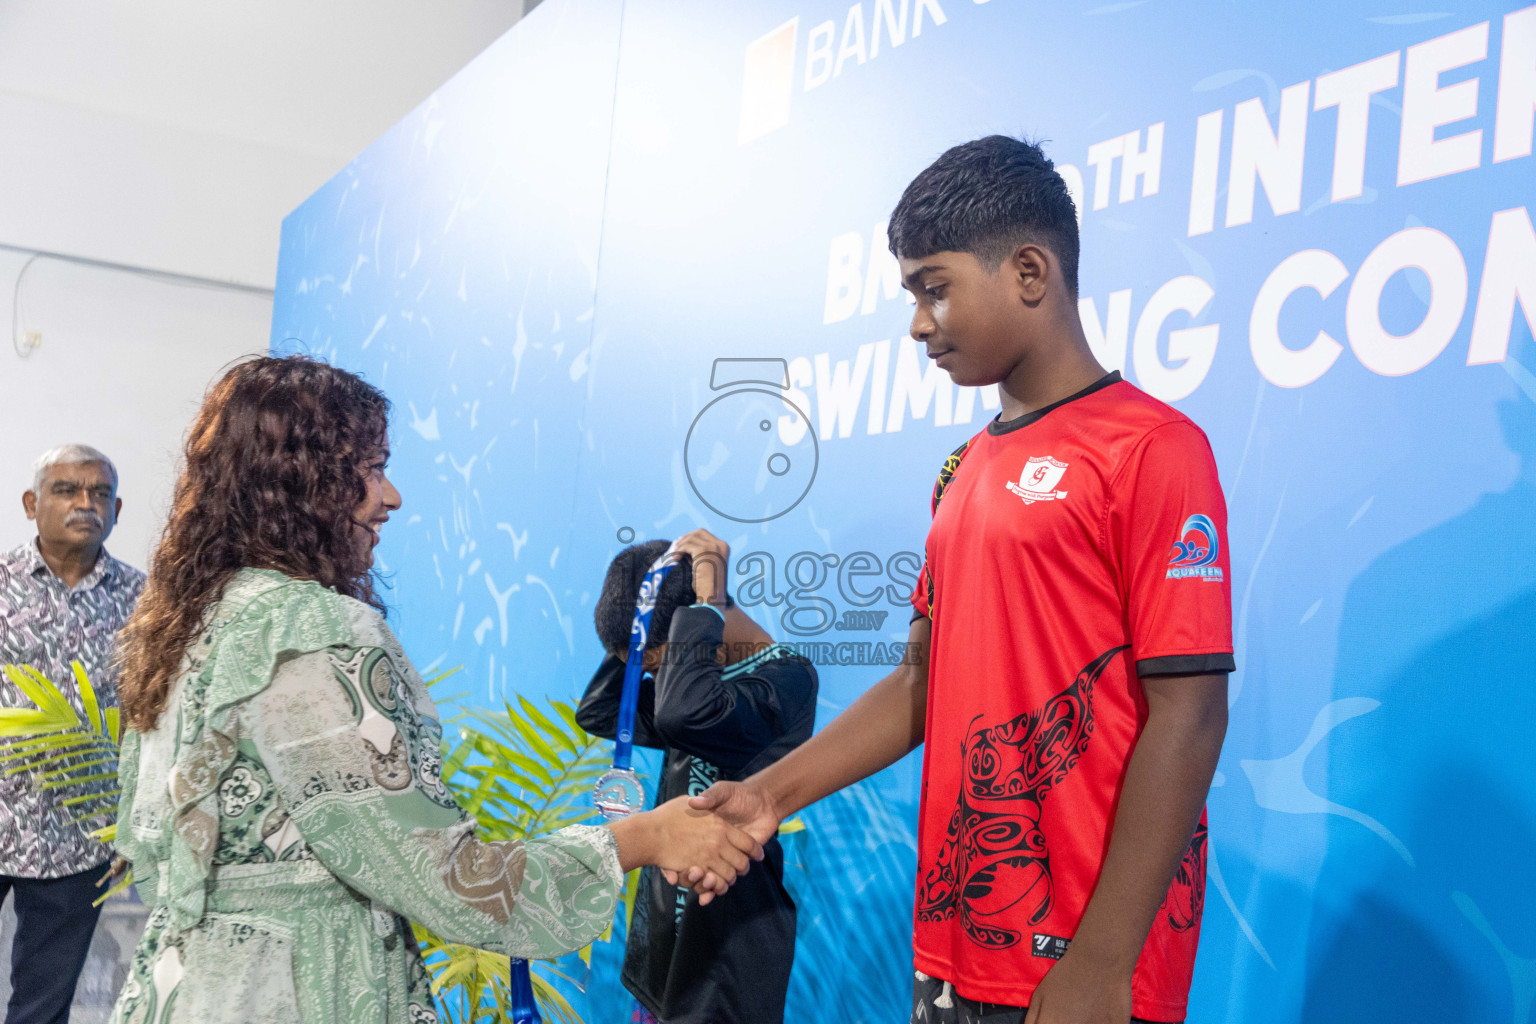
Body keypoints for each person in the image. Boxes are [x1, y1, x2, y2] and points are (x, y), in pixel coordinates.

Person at [688, 136, 1234, 1024]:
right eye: (911, 294)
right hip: (954, 953)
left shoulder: (1153, 448)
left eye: (933, 287)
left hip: (1085, 968)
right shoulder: (961, 469)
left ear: (1028, 270)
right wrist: (766, 796)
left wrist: (1100, 962)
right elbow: (920, 684)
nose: (917, 324)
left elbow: (1191, 711)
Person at [107, 356, 761, 1024]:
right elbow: (444, 875)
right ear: (303, 482)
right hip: (302, 991)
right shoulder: (308, 631)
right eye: (370, 469)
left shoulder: (195, 620)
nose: (391, 497)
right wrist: (642, 840)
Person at [576, 529, 817, 1024]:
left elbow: (684, 714)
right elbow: (599, 711)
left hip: (726, 951)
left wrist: (708, 598)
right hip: (664, 944)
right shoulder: (686, 687)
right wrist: (644, 610)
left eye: (659, 663)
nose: (654, 677)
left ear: (699, 627)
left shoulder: (785, 680)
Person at [1, 444, 144, 1024]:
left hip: (80, 836)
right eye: (66, 490)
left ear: (117, 510)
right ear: (33, 503)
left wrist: (132, 822)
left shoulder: (146, 602)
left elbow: (149, 714)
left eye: (99, 493)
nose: (85, 503)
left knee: (42, 1007)